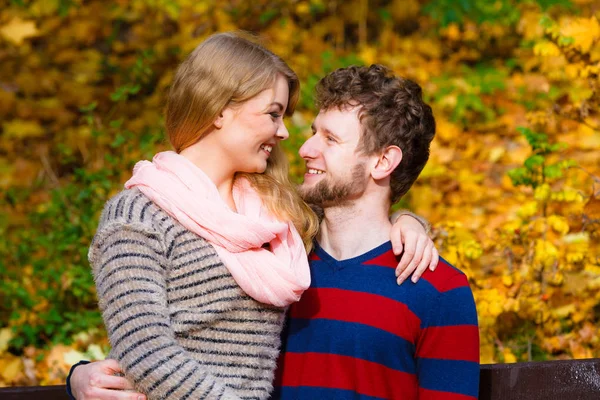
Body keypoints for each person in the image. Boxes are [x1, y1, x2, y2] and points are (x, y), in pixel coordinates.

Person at [68, 33, 438, 400]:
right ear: (219, 110)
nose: (283, 132)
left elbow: (355, 212)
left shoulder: (271, 213)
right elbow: (146, 352)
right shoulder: (137, 215)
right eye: (273, 114)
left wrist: (408, 222)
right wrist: (77, 377)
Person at [272, 64, 480, 399]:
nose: (306, 149)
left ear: (383, 161)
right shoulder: (278, 260)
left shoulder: (439, 289)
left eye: (330, 139)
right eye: (314, 132)